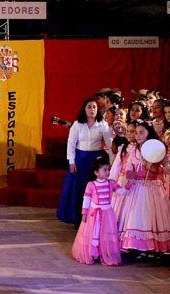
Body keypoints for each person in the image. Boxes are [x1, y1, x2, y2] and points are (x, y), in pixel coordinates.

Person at [115, 120, 170, 256]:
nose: (137, 135)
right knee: (136, 216)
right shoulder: (133, 150)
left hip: (152, 188)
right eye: (136, 133)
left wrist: (157, 168)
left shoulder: (157, 148)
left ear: (148, 133)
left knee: (149, 216)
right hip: (137, 188)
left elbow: (167, 167)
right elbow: (129, 166)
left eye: (141, 132)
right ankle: (137, 246)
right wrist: (130, 174)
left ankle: (151, 247)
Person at [57, 98, 112, 227]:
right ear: (84, 109)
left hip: (96, 160)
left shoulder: (103, 124)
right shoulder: (77, 124)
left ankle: (94, 221)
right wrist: (71, 162)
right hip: (80, 159)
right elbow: (71, 144)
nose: (92, 109)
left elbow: (109, 145)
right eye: (89, 107)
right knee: (79, 189)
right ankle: (77, 220)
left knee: (95, 190)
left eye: (94, 107)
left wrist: (112, 162)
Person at [71, 157, 129, 266]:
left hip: (107, 214)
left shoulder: (111, 183)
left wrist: (129, 184)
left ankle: (104, 251)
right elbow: (86, 199)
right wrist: (84, 213)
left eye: (108, 169)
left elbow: (122, 192)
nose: (107, 172)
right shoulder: (91, 185)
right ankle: (93, 253)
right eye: (104, 170)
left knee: (105, 233)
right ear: (96, 172)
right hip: (94, 215)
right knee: (94, 232)